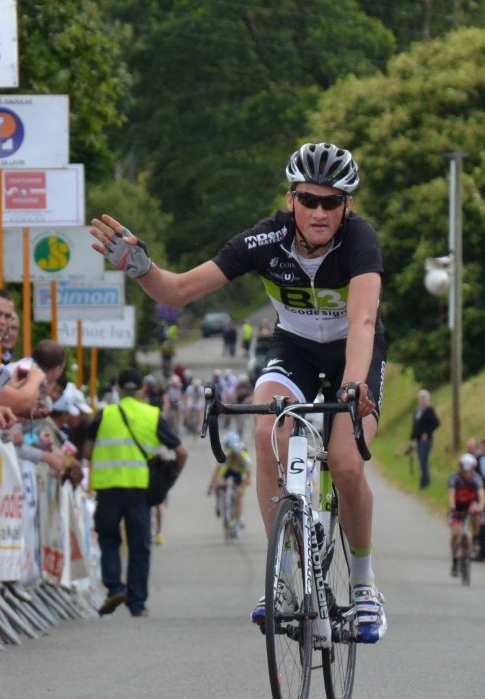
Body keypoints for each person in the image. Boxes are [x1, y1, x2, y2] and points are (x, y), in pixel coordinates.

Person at [90, 141, 388, 642]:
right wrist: (142, 268)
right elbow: (178, 291)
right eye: (308, 199)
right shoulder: (265, 239)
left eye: (331, 202)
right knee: (266, 424)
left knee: (345, 461)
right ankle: (284, 579)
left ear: (347, 206)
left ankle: (363, 585)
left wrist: (355, 384)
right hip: (294, 346)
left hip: (352, 352)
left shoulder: (360, 241)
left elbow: (361, 321)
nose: (318, 211)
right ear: (291, 199)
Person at [83, 369, 187, 618]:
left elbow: (87, 450)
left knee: (109, 539)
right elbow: (181, 451)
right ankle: (137, 604)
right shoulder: (152, 415)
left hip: (107, 488)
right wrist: (170, 476)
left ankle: (115, 588)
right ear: (142, 389)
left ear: (117, 388)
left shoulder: (104, 414)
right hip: (139, 490)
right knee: (140, 545)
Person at [446, 453, 485, 577]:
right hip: (457, 507)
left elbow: (481, 495)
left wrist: (481, 506)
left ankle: (476, 538)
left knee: (476, 513)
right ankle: (454, 560)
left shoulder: (477, 478)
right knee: (455, 533)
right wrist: (452, 506)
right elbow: (451, 494)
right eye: (464, 470)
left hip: (470, 506)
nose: (467, 474)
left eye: (469, 471)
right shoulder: (454, 478)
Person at [208, 431, 252, 537]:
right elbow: (218, 471)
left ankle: (239, 519)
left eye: (237, 455)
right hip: (228, 470)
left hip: (240, 473)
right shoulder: (227, 455)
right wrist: (213, 485)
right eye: (234, 454)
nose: (235, 456)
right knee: (218, 485)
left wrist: (241, 489)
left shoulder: (245, 459)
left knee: (240, 495)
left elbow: (248, 479)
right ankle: (219, 504)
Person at [409, 389, 439, 489]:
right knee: (421, 461)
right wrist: (412, 439)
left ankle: (424, 483)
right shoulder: (417, 409)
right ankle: (424, 481)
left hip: (426, 440)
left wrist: (427, 433)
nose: (421, 400)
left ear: (427, 399)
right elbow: (415, 426)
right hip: (418, 439)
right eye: (420, 398)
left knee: (423, 460)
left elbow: (436, 423)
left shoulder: (429, 409)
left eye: (423, 398)